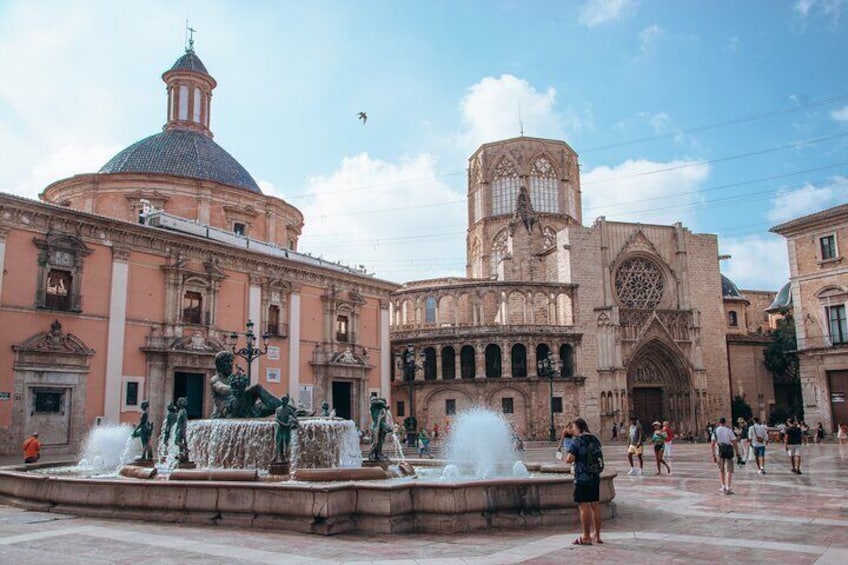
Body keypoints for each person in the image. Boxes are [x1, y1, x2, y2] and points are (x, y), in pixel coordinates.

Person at [565, 418, 603, 545]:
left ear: (579, 428)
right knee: (595, 505)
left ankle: (586, 537)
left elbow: (569, 459)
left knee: (584, 506)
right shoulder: (594, 439)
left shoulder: (578, 441)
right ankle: (597, 535)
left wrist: (567, 441)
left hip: (582, 478)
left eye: (573, 427)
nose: (572, 429)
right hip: (595, 477)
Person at [711, 416, 740, 494]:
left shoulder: (715, 431)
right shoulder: (729, 430)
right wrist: (737, 453)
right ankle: (729, 487)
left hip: (719, 451)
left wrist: (713, 455)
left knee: (721, 470)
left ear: (719, 423)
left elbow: (712, 444)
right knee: (729, 470)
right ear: (725, 422)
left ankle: (723, 486)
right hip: (728, 451)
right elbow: (734, 442)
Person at [274, 394, 299, 464]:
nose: (283, 401)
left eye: (285, 400)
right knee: (279, 443)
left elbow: (295, 417)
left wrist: (292, 422)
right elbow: (276, 419)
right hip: (280, 428)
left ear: (287, 401)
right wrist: (284, 424)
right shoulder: (278, 409)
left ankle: (286, 457)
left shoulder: (289, 409)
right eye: (282, 400)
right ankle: (278, 456)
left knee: (286, 443)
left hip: (286, 429)